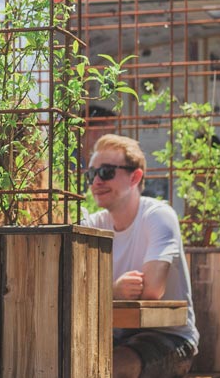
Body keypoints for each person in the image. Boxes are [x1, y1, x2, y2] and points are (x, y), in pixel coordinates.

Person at [80, 134, 198, 378]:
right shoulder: (94, 224)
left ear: (135, 177)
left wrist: (106, 291)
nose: (97, 181)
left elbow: (153, 289)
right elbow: (78, 289)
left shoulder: (157, 215)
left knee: (105, 369)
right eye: (92, 174)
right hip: (116, 338)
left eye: (107, 172)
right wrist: (114, 290)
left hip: (170, 338)